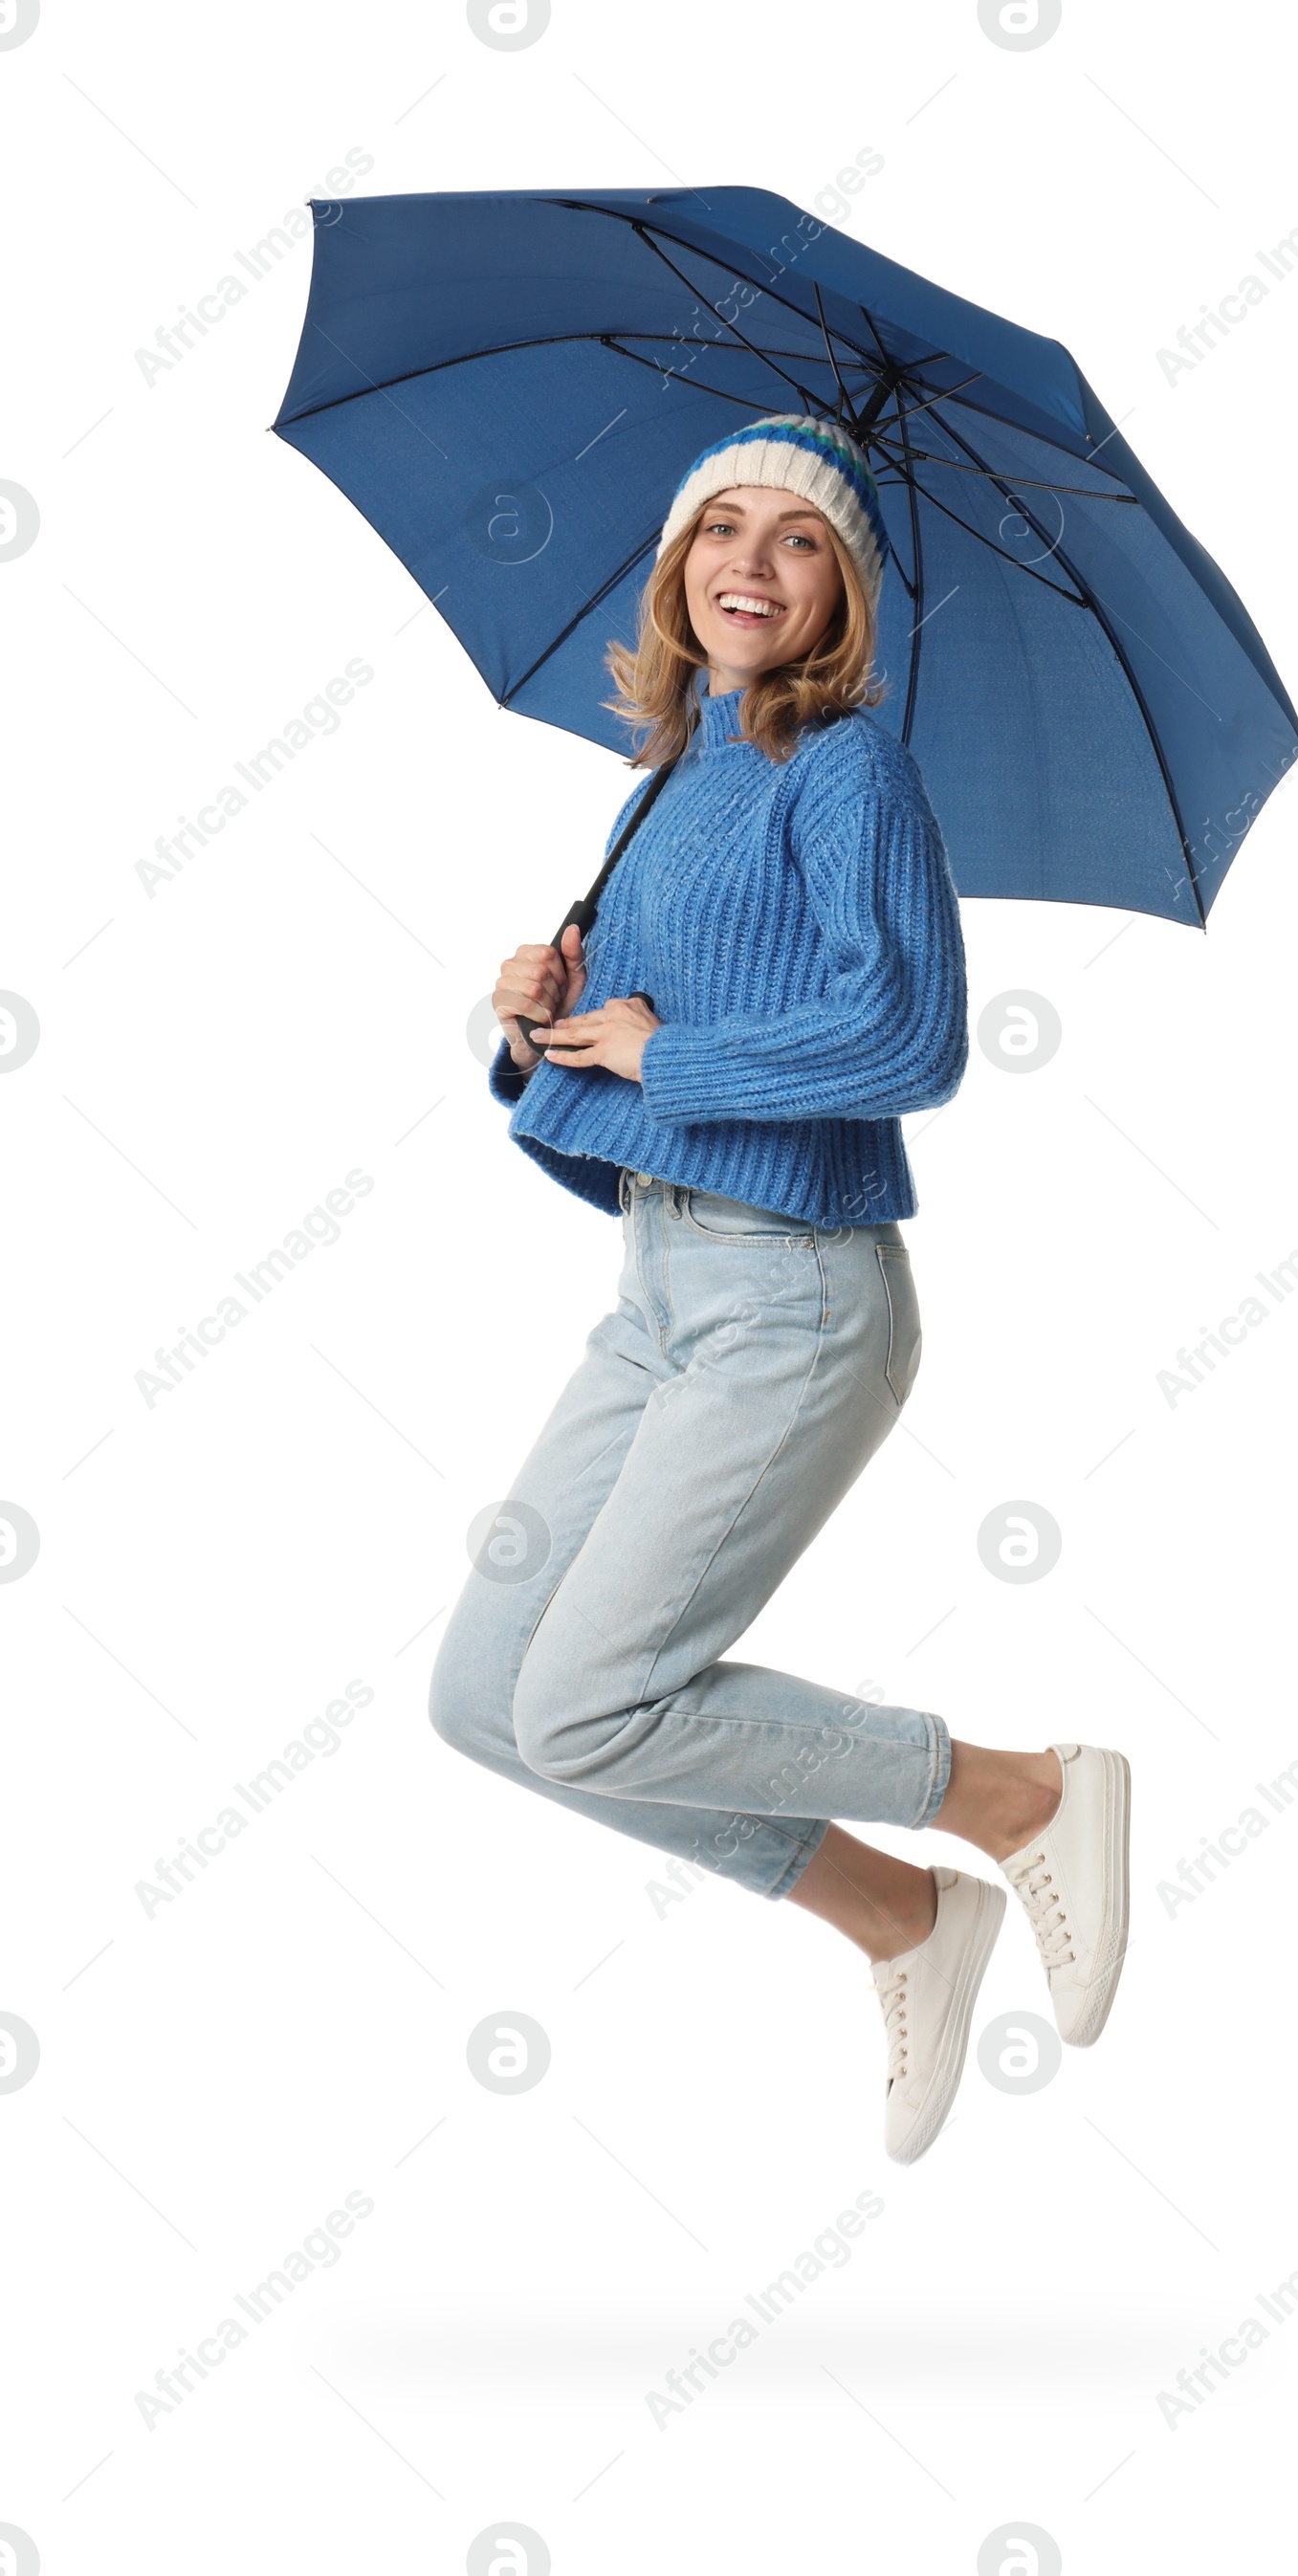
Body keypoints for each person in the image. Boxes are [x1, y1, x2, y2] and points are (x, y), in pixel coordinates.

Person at [429, 413, 1131, 2165]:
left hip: (794, 1295)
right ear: (676, 568)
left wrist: (673, 1045)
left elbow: (910, 1038)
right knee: (487, 1701)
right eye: (719, 528)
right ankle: (903, 1915)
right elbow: (632, 1060)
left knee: (591, 1698)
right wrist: (541, 1023)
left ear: (843, 594)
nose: (751, 561)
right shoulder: (671, 772)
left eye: (798, 540)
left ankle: (1026, 1795)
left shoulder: (848, 766)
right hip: (659, 1283)